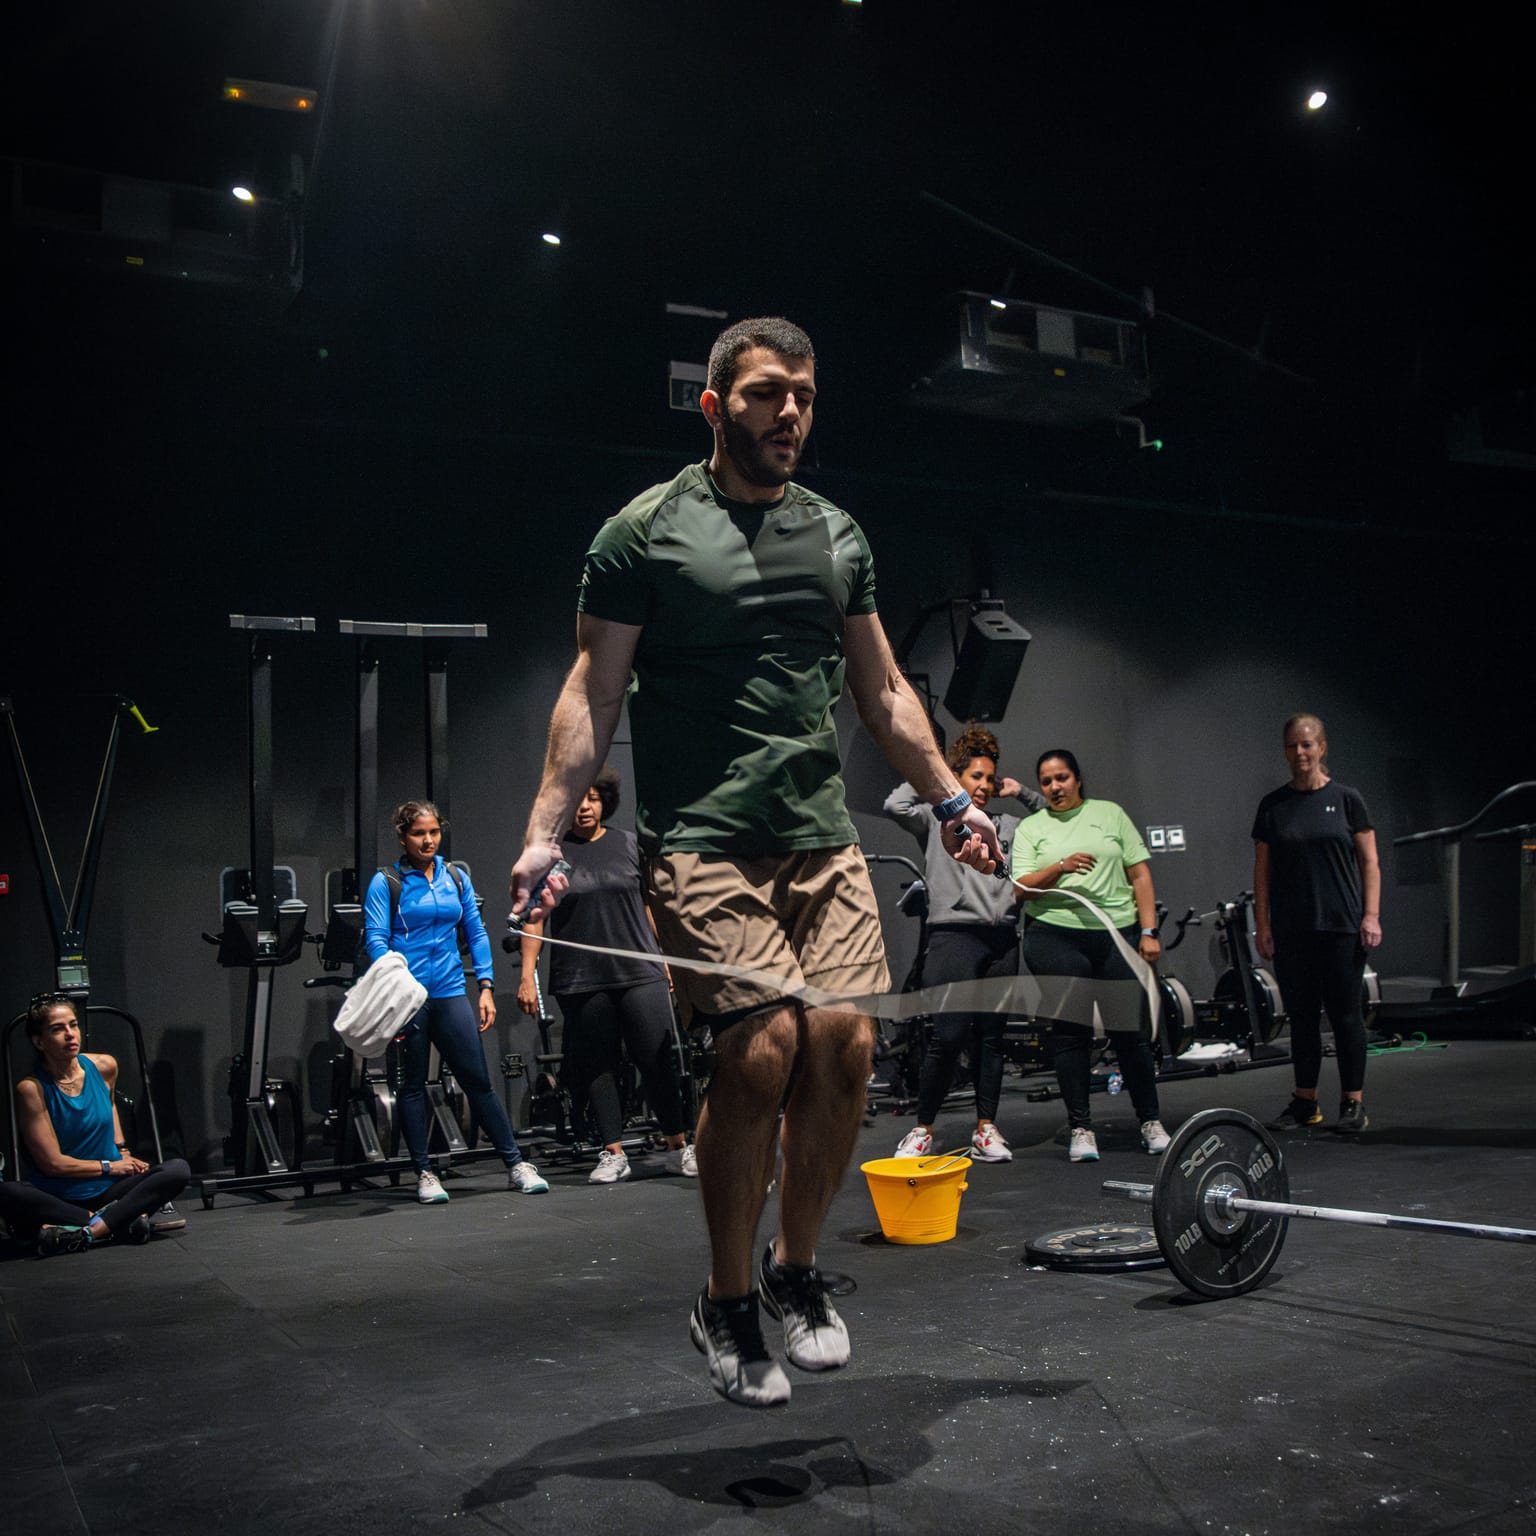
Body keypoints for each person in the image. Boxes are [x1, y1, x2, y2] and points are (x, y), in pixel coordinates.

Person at [509, 316, 1001, 1407]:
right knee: (765, 1045)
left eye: (805, 397)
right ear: (714, 403)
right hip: (704, 841)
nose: (790, 413)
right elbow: (592, 691)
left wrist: (953, 798)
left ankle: (794, 1271)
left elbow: (884, 691)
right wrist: (543, 830)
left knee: (847, 1043)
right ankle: (727, 1301)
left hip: (820, 837)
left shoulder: (837, 535)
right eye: (768, 392)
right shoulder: (643, 534)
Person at [517, 766, 697, 1184]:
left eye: (593, 798)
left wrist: (665, 957)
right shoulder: (551, 855)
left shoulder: (630, 845)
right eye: (578, 799)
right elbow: (535, 919)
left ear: (605, 803)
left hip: (639, 968)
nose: (585, 807)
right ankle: (613, 1152)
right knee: (597, 1065)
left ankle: (677, 1145)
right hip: (581, 976)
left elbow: (650, 905)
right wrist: (527, 975)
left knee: (656, 1057)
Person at [364, 800, 549, 1202]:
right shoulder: (386, 882)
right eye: (418, 833)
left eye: (433, 832)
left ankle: (516, 1165)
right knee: (412, 1086)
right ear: (403, 837)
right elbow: (376, 938)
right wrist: (395, 980)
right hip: (409, 998)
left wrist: (486, 986)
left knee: (478, 1082)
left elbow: (476, 933)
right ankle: (424, 1173)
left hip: (450, 992)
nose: (428, 840)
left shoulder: (455, 877)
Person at [887, 724, 1044, 1162]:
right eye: (976, 776)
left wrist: (1020, 791)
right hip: (953, 937)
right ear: (959, 777)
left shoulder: (1008, 825)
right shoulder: (936, 818)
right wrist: (939, 776)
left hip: (1001, 938)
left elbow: (1050, 817)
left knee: (991, 1039)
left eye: (990, 779)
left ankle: (985, 1129)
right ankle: (922, 1130)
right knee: (948, 1036)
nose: (985, 786)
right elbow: (895, 803)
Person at [1011, 749, 1170, 1163]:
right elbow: (1021, 888)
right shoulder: (1032, 827)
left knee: (1131, 1034)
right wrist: (1060, 867)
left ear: (1077, 779)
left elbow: (1140, 874)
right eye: (1046, 781)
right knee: (1070, 1034)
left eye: (1061, 778)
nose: (1055, 787)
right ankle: (1081, 1128)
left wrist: (1149, 931)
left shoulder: (1110, 814)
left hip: (1117, 933)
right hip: (1055, 936)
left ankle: (1150, 1121)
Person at [1252, 713, 1381, 1134]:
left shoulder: (1347, 799)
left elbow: (1370, 862)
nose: (1300, 752)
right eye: (1292, 745)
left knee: (1346, 1016)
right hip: (1292, 929)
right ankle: (1305, 1102)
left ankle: (1352, 1103)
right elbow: (1262, 872)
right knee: (1302, 1018)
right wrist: (1263, 925)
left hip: (1341, 925)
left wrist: (1371, 915)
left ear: (1322, 747)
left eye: (1307, 744)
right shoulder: (1273, 805)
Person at [0, 994, 191, 1255]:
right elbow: (52, 1164)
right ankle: (117, 1221)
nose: (70, 1034)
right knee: (8, 1192)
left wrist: (122, 1151)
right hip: (60, 1197)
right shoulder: (31, 1089)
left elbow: (109, 1106)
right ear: (39, 1041)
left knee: (177, 1169)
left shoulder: (104, 1066)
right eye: (57, 1029)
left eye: (73, 1025)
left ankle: (86, 1232)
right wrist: (110, 1165)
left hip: (110, 1189)